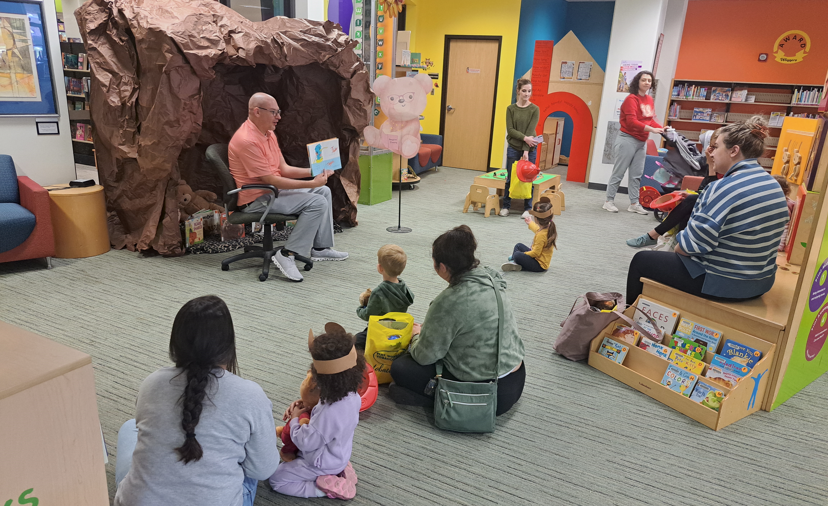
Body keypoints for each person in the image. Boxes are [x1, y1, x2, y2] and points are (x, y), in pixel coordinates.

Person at [114, 296, 279, 506]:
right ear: (228, 345)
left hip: (139, 501)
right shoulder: (251, 395)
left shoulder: (152, 382)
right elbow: (262, 469)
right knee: (249, 467)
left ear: (175, 343)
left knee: (130, 428)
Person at [625, 117, 789, 305]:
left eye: (716, 147)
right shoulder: (772, 184)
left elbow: (688, 247)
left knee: (641, 260)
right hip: (761, 282)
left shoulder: (724, 187)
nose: (711, 153)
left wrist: (679, 245)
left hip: (725, 283)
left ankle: (630, 317)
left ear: (734, 151)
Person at [388, 225, 526, 416]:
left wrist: (417, 336)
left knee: (401, 367)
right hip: (515, 378)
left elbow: (425, 356)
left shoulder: (449, 301)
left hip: (486, 395)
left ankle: (443, 400)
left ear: (442, 267)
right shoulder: (491, 279)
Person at [228, 92, 348, 282]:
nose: (279, 117)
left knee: (323, 191)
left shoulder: (268, 134)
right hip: (256, 200)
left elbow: (282, 169)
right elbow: (272, 180)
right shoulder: (246, 140)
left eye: (279, 112)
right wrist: (311, 183)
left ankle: (320, 248)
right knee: (316, 201)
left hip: (273, 192)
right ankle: (288, 253)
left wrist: (315, 171)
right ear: (257, 112)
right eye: (274, 112)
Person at [269, 324, 364, 500]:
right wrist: (305, 405)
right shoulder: (352, 395)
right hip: (338, 452)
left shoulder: (329, 412)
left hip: (321, 462)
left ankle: (323, 488)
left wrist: (296, 420)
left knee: (277, 479)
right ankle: (340, 468)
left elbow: (307, 441)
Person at [626, 129, 719, 248]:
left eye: (716, 147)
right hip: (707, 200)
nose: (711, 152)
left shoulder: (725, 169)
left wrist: (711, 166)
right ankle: (678, 247)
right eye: (712, 147)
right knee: (687, 208)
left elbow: (713, 193)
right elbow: (706, 189)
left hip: (714, 204)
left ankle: (654, 236)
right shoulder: (713, 164)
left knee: (690, 202)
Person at [604, 70, 663, 215]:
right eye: (644, 80)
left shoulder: (649, 99)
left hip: (641, 142)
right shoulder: (631, 99)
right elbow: (631, 122)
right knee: (619, 172)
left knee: (637, 174)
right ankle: (608, 201)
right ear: (637, 82)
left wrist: (662, 128)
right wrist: (651, 129)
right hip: (627, 139)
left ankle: (634, 203)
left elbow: (650, 119)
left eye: (649, 81)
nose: (647, 83)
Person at [354, 244, 415, 349]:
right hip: (397, 327)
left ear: (380, 268)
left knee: (356, 341)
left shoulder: (378, 292)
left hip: (380, 328)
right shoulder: (403, 286)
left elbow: (369, 314)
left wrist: (360, 309)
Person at [500, 78, 540, 217]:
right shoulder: (510, 109)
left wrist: (526, 151)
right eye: (524, 91)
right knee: (510, 178)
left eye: (529, 91)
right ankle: (506, 206)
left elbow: (530, 130)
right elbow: (510, 130)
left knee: (529, 178)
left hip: (529, 149)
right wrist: (525, 139)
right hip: (513, 147)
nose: (527, 94)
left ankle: (527, 208)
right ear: (518, 91)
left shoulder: (535, 109)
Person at [501, 199, 558, 272]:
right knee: (518, 245)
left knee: (518, 255)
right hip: (537, 257)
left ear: (536, 219)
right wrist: (530, 223)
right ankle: (515, 261)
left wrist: (523, 254)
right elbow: (537, 229)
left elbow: (535, 253)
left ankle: (516, 262)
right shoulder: (547, 227)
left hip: (539, 265)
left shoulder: (541, 235)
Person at [773, 175, 795, 252]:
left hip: (779, 242)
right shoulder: (787, 202)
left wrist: (780, 245)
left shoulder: (784, 206)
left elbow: (786, 226)